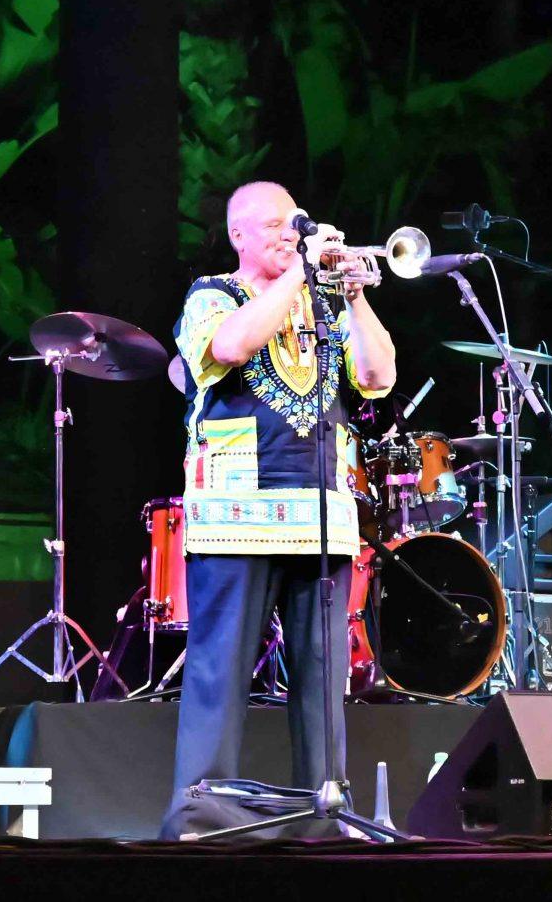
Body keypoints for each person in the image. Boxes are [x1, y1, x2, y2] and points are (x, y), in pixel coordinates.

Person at [162, 181, 395, 837]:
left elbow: (377, 376)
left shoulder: (324, 303)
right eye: (274, 225)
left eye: (295, 222)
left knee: (323, 683)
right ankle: (199, 813)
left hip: (322, 517)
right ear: (238, 235)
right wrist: (300, 272)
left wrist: (355, 295)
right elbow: (231, 348)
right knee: (219, 675)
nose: (290, 233)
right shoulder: (212, 293)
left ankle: (326, 812)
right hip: (235, 516)